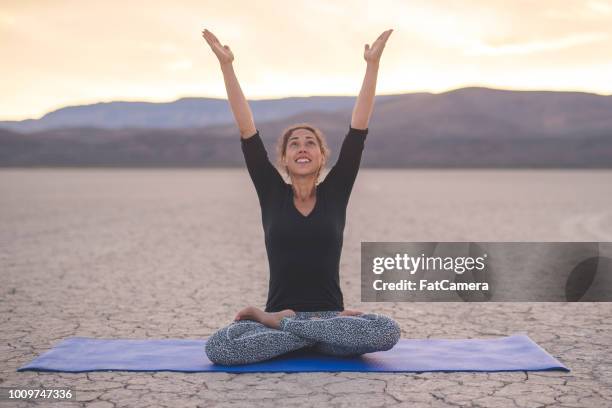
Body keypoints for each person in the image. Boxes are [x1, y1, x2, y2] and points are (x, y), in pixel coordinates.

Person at [201, 28, 400, 365]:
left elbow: (358, 130)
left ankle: (295, 331)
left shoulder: (335, 194)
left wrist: (372, 65)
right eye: (294, 143)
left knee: (387, 330)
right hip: (292, 324)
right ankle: (295, 329)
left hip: (323, 321)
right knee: (220, 347)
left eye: (310, 143)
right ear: (285, 159)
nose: (302, 147)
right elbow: (247, 130)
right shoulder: (271, 193)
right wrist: (227, 66)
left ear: (322, 157)